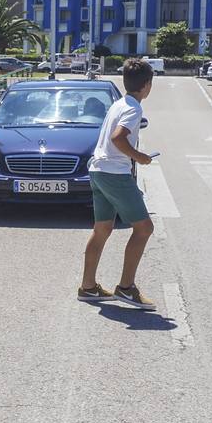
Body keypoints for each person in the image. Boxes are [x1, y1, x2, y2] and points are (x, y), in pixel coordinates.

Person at [78, 58, 156, 309]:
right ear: (147, 85)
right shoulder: (134, 108)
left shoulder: (118, 104)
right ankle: (125, 288)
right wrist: (140, 157)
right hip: (114, 173)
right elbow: (118, 138)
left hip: (98, 170)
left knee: (102, 229)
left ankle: (88, 288)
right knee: (144, 228)